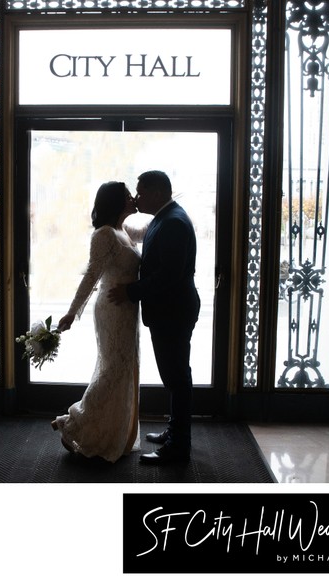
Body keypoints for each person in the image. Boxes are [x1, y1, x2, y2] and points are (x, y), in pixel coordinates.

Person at [109, 170, 200, 465]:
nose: (137, 197)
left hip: (172, 311)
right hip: (169, 310)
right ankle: (175, 432)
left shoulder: (173, 221)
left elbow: (169, 276)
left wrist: (131, 291)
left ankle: (178, 446)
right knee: (175, 377)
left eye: (141, 191)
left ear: (158, 193)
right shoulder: (166, 217)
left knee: (177, 378)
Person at [51, 181, 143, 462]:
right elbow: (91, 276)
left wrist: (165, 207)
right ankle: (75, 423)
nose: (133, 198)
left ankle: (113, 432)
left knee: (124, 367)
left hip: (128, 310)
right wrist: (71, 312)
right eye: (128, 195)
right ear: (116, 201)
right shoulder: (104, 235)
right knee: (112, 370)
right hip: (112, 310)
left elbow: (150, 230)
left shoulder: (124, 232)